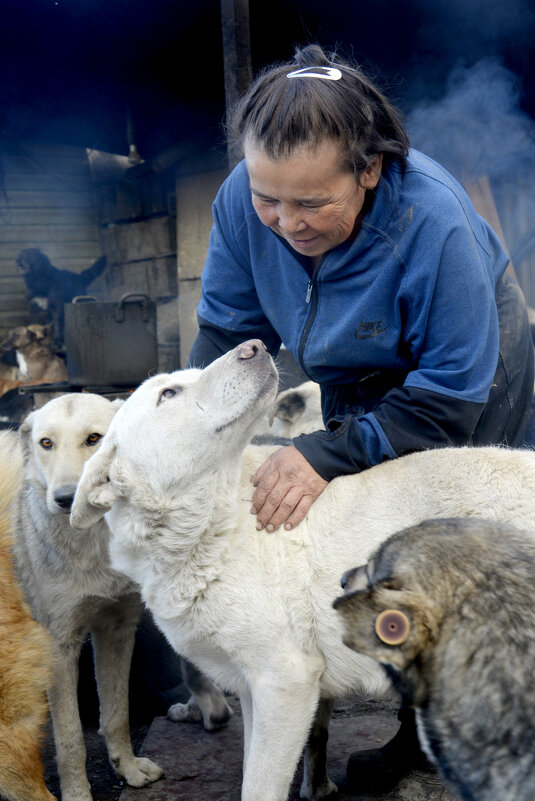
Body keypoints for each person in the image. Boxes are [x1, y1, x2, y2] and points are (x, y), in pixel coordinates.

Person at [188, 43, 535, 792]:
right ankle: (412, 730)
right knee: (378, 543)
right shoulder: (244, 202)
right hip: (356, 374)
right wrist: (194, 433)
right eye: (267, 198)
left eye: (312, 203)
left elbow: (447, 397)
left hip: (470, 379)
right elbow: (224, 336)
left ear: (369, 169)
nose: (286, 222)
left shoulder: (432, 223)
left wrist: (320, 452)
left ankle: (468, 742)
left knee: (450, 554)